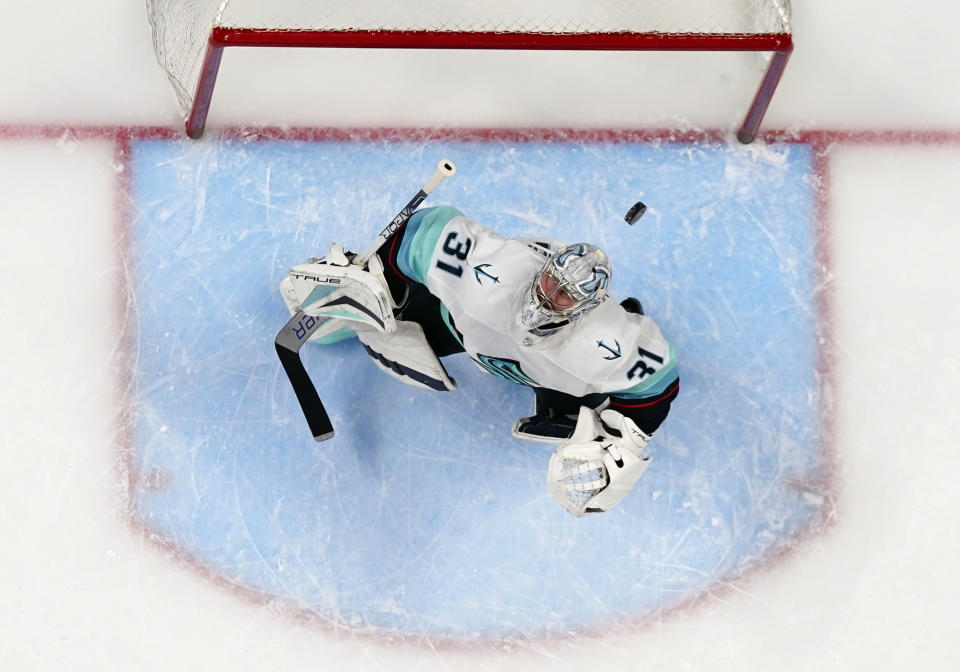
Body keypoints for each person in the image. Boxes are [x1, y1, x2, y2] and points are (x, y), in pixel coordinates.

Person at [279, 205, 679, 516]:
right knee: (345, 327)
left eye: (564, 296)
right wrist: (382, 280)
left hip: (550, 375)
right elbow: (425, 230)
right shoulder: (491, 272)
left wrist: (621, 443)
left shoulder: (602, 345)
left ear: (583, 309)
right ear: (542, 269)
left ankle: (564, 405)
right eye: (549, 280)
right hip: (459, 325)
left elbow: (659, 387)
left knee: (591, 411)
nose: (548, 294)